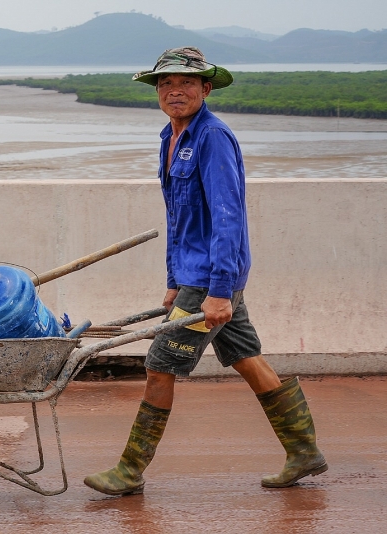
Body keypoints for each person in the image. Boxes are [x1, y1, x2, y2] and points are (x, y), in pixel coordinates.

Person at [83, 46, 328, 496]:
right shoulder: (170, 137)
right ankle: (304, 450)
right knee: (246, 357)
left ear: (206, 88)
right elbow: (181, 218)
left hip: (214, 278)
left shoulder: (213, 136)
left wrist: (217, 291)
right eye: (165, 84)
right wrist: (175, 281)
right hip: (198, 277)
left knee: (160, 367)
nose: (174, 91)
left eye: (186, 83)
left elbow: (227, 215)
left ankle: (130, 470)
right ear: (156, 92)